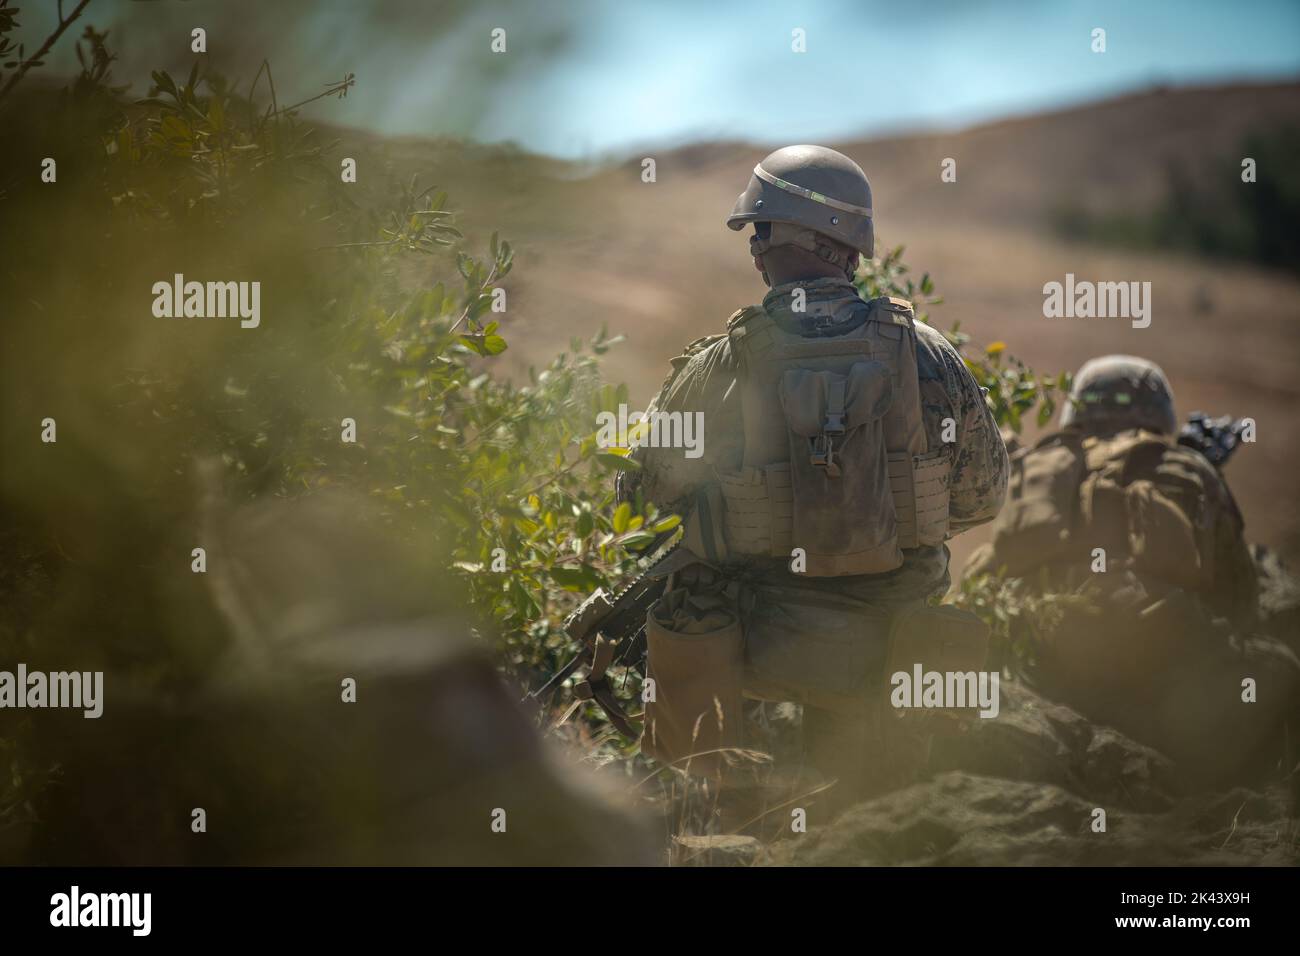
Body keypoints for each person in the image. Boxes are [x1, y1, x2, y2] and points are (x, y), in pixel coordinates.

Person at [618, 145, 1008, 806]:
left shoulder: (721, 361)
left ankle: (726, 803)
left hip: (752, 638)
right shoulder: (928, 354)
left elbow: (639, 500)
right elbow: (982, 498)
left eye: (758, 232)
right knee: (882, 816)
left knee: (679, 606)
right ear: (851, 246)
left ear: (780, 241)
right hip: (894, 637)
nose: (754, 249)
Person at [965, 355, 1297, 789]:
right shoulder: (1186, 467)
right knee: (1281, 672)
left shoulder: (1037, 467)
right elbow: (1238, 599)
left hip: (1038, 659)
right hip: (1157, 670)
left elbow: (990, 571)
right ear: (1159, 412)